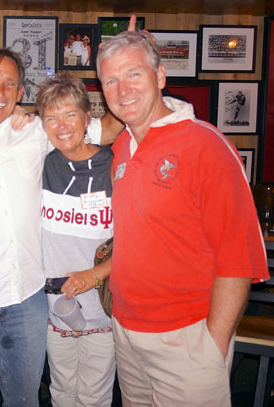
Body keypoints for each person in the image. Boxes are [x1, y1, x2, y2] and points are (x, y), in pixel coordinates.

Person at [0, 48, 121, 406]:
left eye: (10, 84)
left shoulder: (38, 131)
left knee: (24, 400)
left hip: (28, 298)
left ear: (20, 93)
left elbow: (110, 127)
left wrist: (123, 65)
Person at [96, 30, 269, 406]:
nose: (123, 89)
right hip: (126, 333)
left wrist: (212, 347)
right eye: (111, 80)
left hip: (186, 340)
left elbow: (237, 258)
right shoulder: (122, 146)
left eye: (134, 74)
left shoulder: (206, 145)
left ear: (159, 76)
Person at [36, 73, 115, 407]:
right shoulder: (40, 164)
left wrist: (93, 275)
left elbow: (137, 241)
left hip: (103, 310)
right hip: (56, 310)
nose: (62, 126)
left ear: (87, 118)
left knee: (93, 397)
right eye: (51, 117)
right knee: (61, 392)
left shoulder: (114, 164)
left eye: (70, 114)